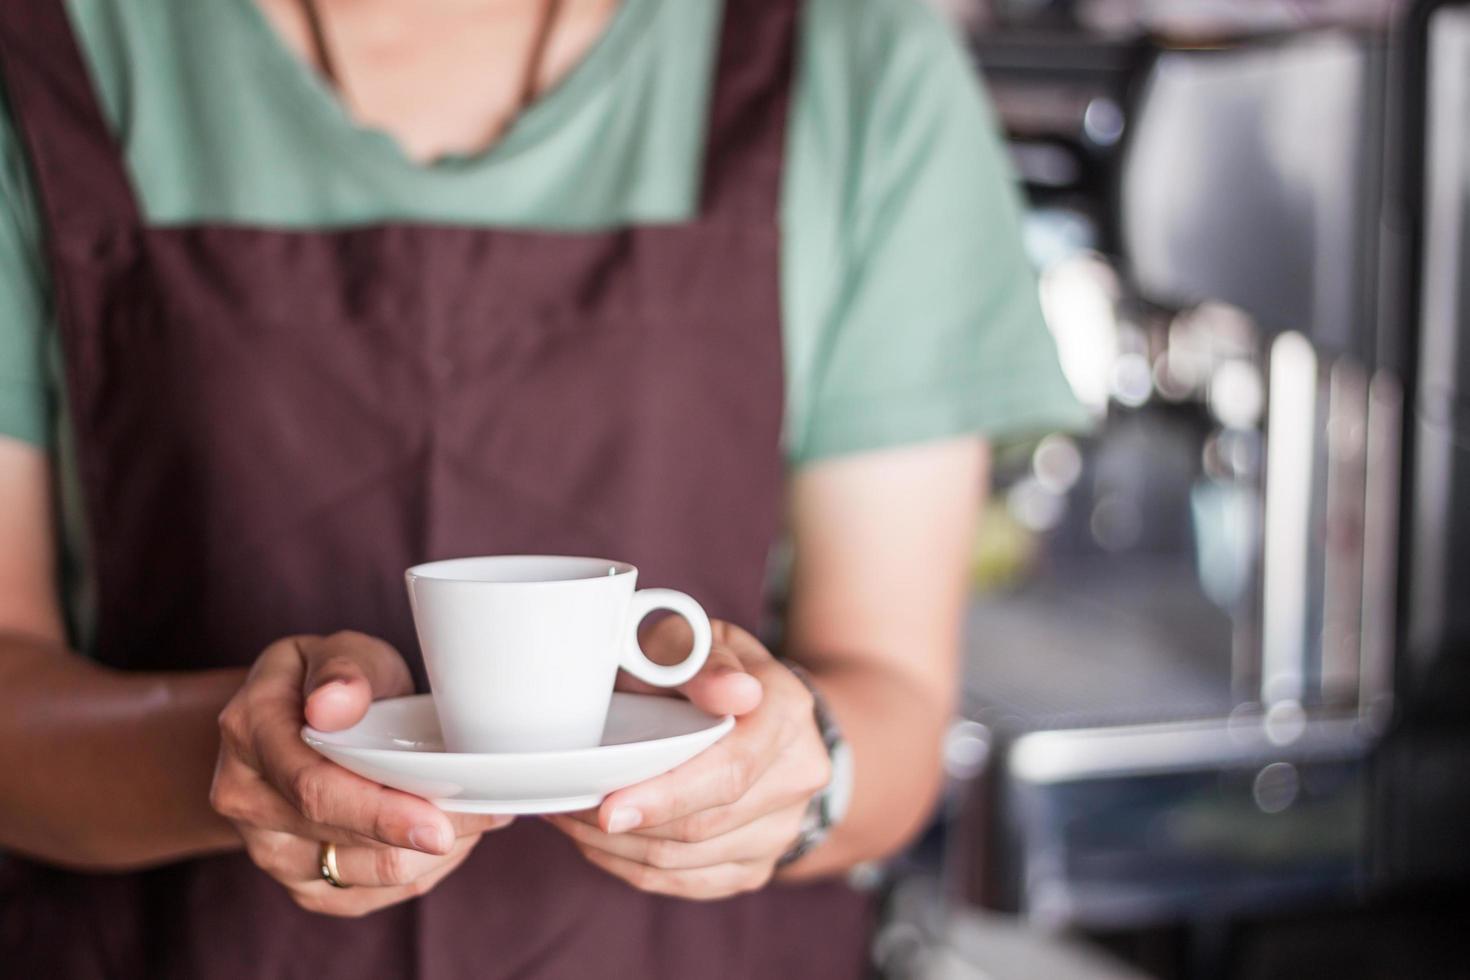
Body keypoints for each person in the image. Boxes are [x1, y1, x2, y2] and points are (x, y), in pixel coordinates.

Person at [0, 0, 1083, 976]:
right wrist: (244, 750)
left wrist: (795, 773)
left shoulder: (855, 59)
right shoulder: (51, 50)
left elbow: (893, 703)